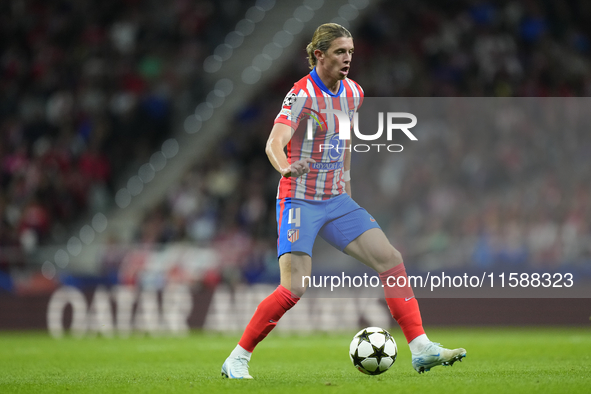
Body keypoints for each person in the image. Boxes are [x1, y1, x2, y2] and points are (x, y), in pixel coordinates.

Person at [221, 23, 466, 379]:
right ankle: (237, 358)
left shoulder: (353, 92)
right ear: (318, 55)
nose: (348, 58)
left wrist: (346, 184)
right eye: (339, 51)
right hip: (300, 200)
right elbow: (274, 143)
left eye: (350, 51)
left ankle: (420, 348)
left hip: (336, 199)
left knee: (391, 260)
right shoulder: (301, 94)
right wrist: (286, 167)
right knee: (293, 288)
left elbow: (345, 139)